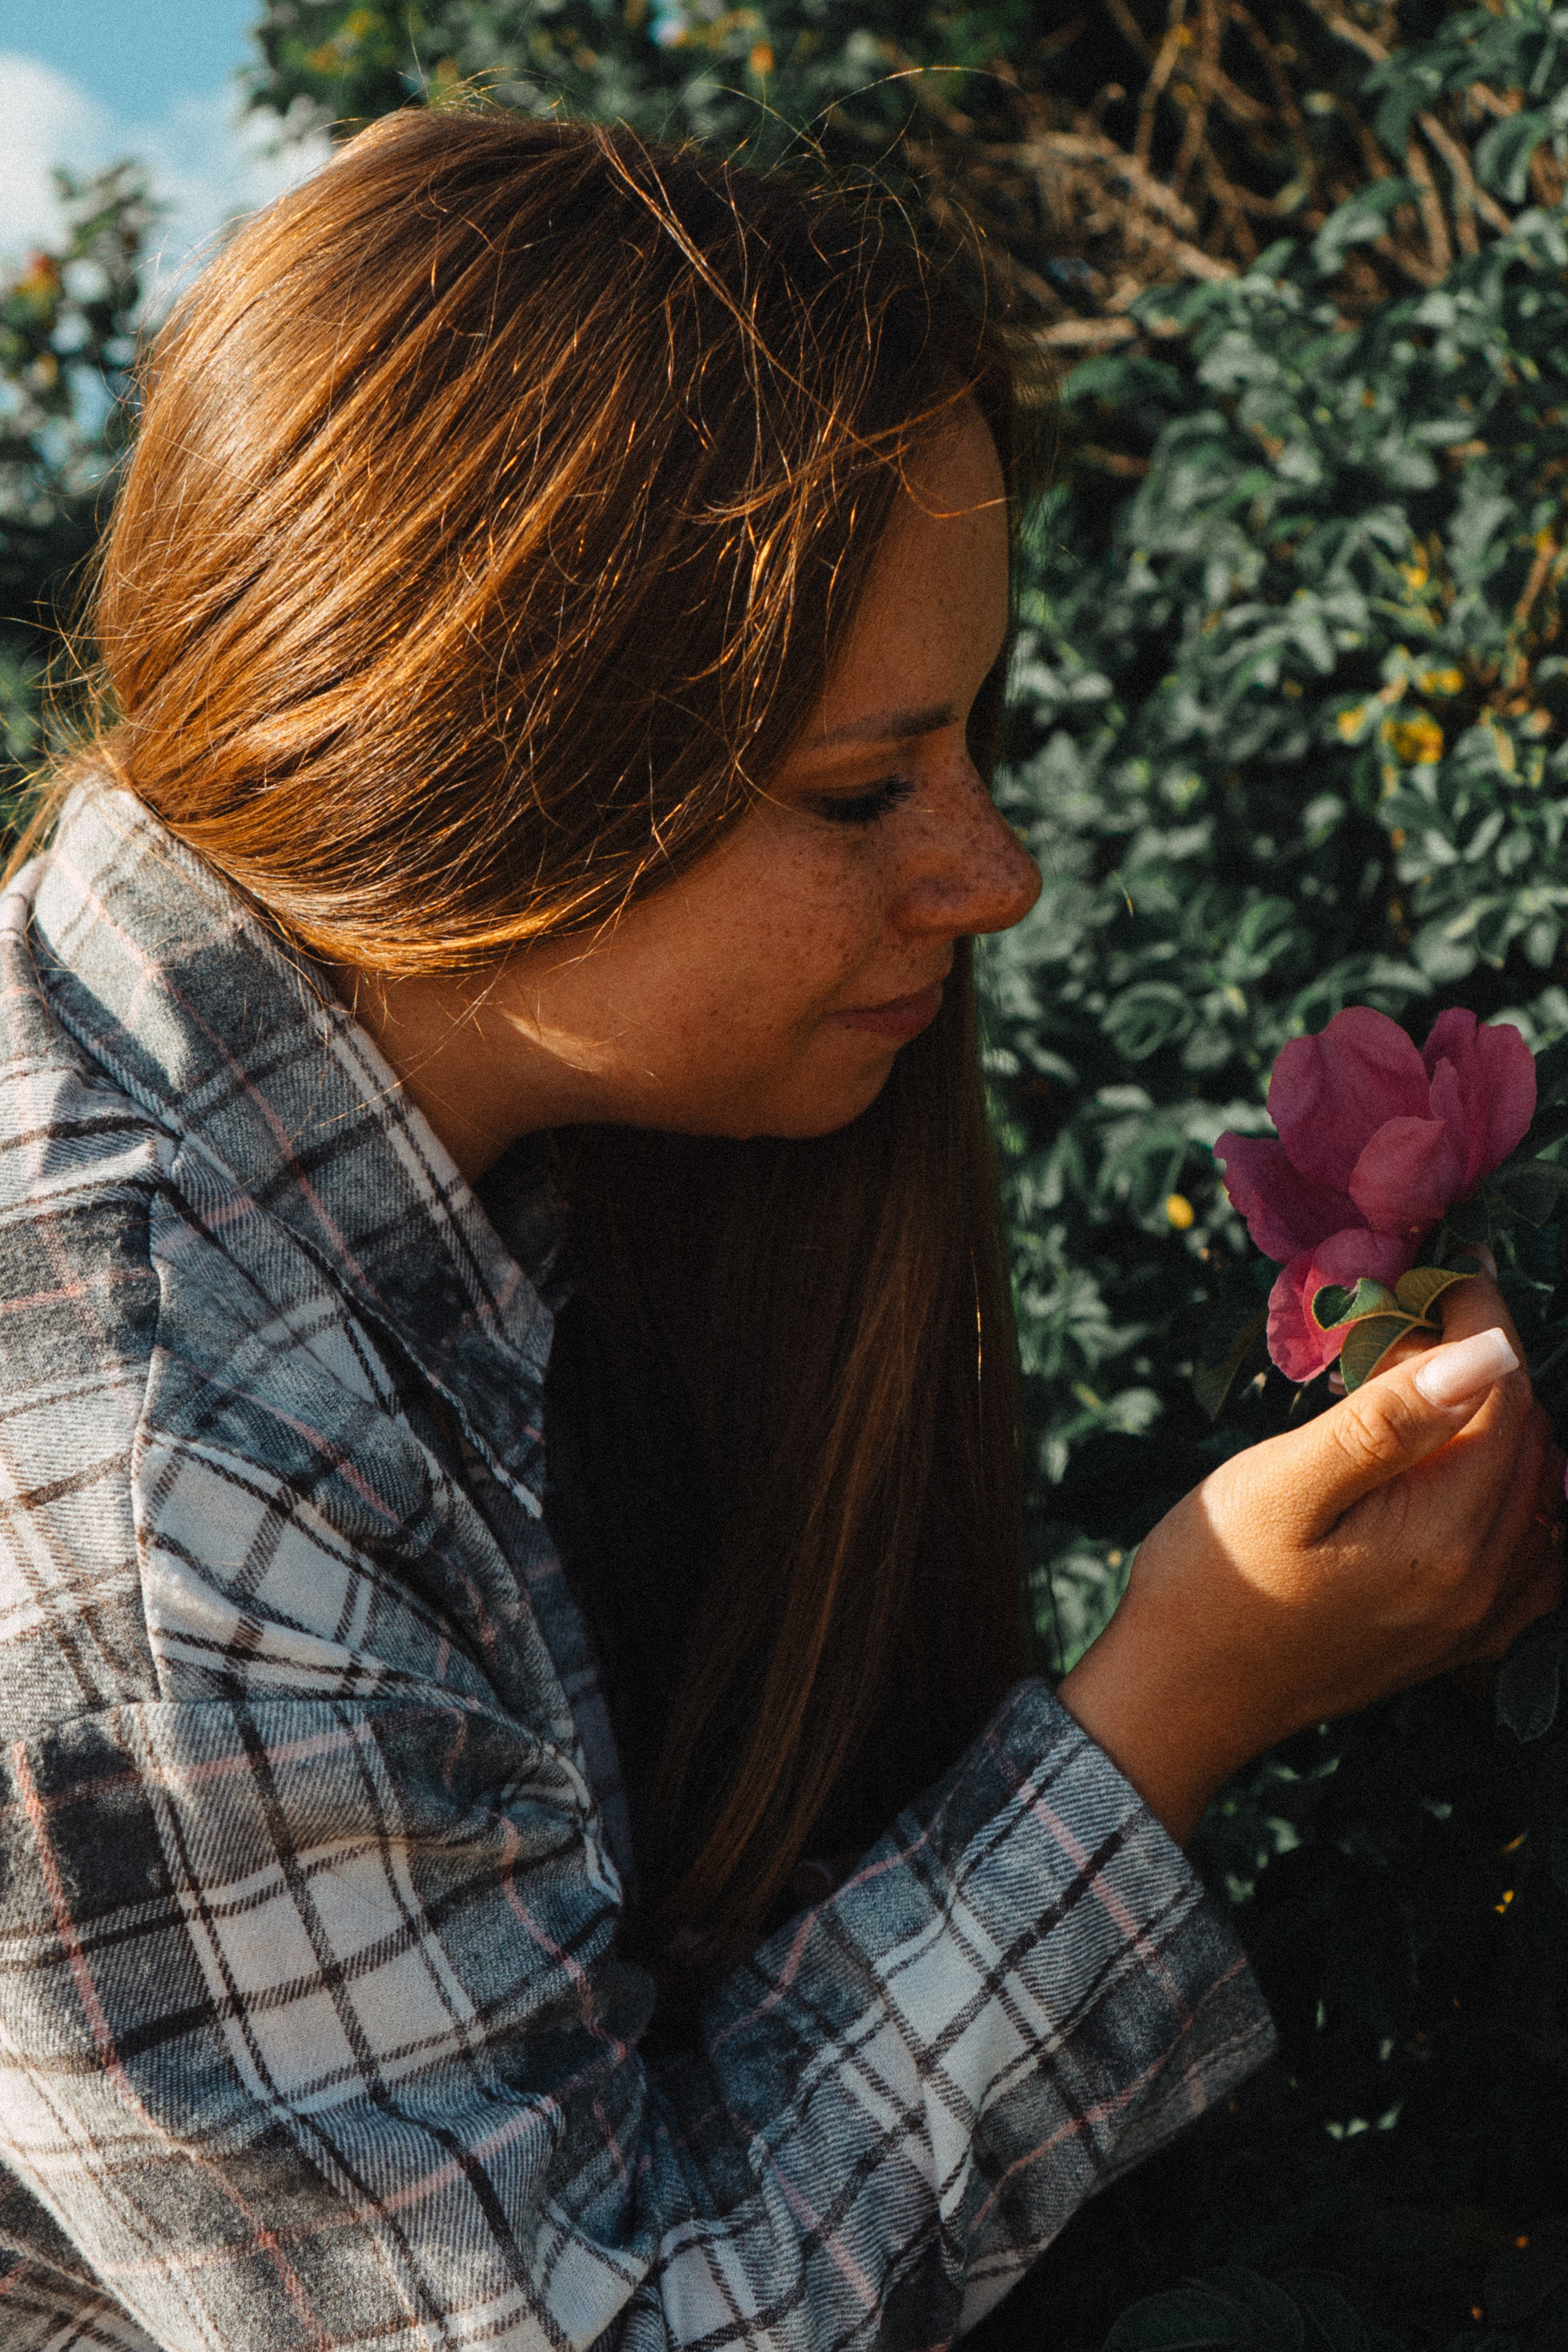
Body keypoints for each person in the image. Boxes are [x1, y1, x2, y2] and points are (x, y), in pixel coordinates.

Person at [0, 106, 1555, 2352]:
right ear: (471, 766)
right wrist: (1179, 1697)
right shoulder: (149, 1494)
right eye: (860, 792)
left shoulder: (389, 1116)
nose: (997, 872)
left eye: (976, 741)